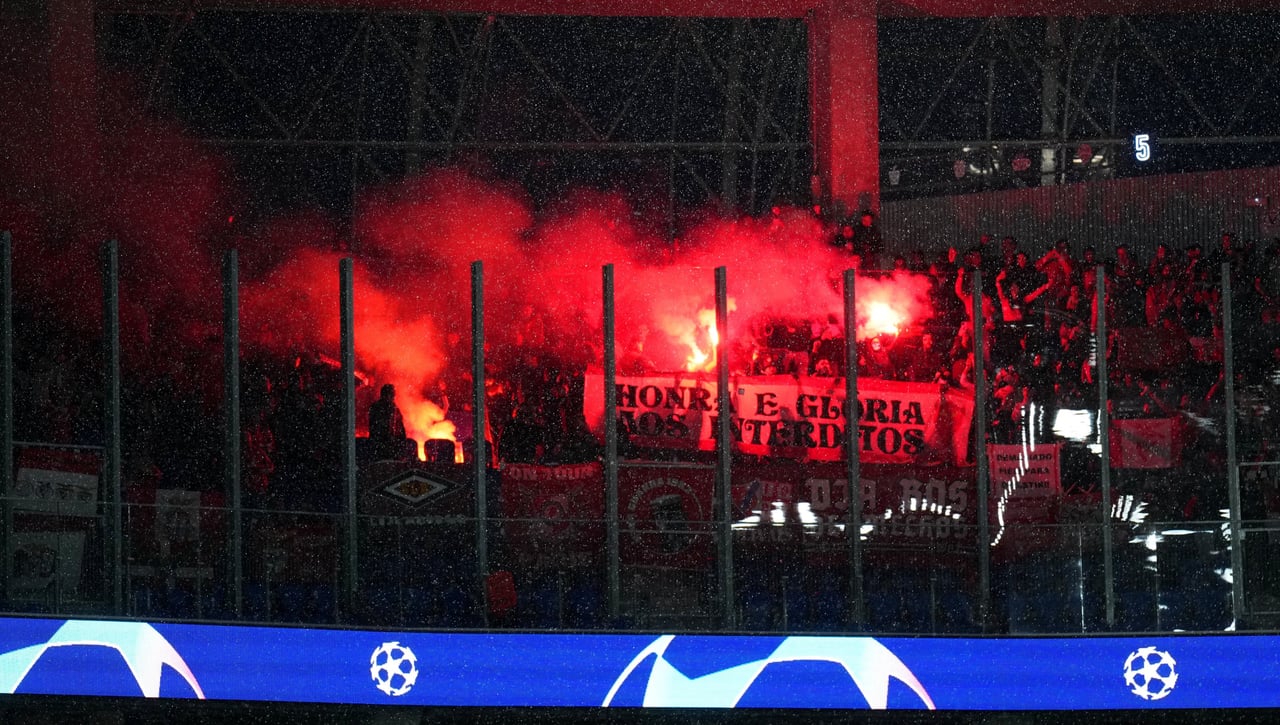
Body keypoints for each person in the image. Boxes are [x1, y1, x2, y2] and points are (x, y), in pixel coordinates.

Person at [368, 383, 408, 460]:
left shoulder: (394, 409)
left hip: (391, 446)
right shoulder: (377, 408)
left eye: (393, 395)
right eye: (392, 394)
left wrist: (401, 442)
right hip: (381, 446)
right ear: (385, 395)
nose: (393, 397)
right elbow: (376, 428)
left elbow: (400, 428)